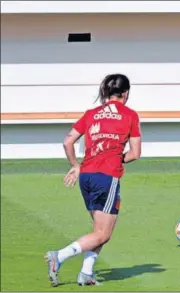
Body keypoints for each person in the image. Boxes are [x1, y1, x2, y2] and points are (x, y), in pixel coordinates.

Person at [44, 74, 142, 286]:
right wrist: (117, 157)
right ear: (125, 93)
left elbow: (68, 140)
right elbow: (135, 153)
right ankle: (58, 257)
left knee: (99, 230)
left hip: (86, 176)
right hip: (107, 177)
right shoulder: (130, 115)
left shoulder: (92, 114)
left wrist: (75, 165)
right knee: (103, 233)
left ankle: (86, 273)